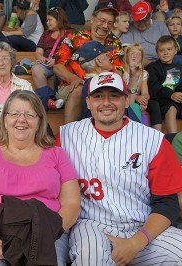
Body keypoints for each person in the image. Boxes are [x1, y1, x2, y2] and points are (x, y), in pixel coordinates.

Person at [57, 71, 182, 265]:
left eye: (114, 95)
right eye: (98, 96)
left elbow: (167, 203)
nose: (106, 102)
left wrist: (135, 243)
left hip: (142, 226)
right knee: (91, 258)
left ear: (127, 100)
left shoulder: (153, 140)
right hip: (91, 224)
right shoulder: (66, 136)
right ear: (88, 102)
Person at [0, 90, 81, 265]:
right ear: (5, 120)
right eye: (14, 114)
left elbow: (72, 203)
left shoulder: (57, 155)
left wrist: (43, 235)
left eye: (29, 114)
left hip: (46, 232)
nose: (21, 119)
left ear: (39, 122)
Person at [53, 2, 124, 123]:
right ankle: (67, 135)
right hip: (71, 85)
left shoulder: (115, 43)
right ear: (92, 19)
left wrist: (109, 68)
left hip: (102, 86)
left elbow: (119, 73)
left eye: (110, 23)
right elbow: (58, 67)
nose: (105, 26)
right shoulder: (74, 37)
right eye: (102, 21)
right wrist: (75, 79)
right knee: (79, 89)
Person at [31, 7, 73, 109]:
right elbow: (38, 51)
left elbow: (74, 53)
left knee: (60, 70)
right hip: (47, 64)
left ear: (59, 19)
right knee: (36, 68)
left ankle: (51, 99)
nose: (47, 23)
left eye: (50, 20)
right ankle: (51, 99)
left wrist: (57, 60)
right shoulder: (46, 34)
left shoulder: (70, 33)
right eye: (47, 20)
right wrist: (40, 57)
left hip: (63, 64)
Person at [146, 35, 182, 133]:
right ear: (157, 53)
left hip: (174, 101)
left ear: (175, 50)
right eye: (161, 50)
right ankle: (172, 138)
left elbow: (174, 86)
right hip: (159, 101)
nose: (165, 53)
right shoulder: (153, 67)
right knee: (171, 108)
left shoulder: (177, 68)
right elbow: (154, 88)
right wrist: (171, 94)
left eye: (169, 49)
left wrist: (179, 94)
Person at [124, 44, 163, 130]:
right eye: (132, 53)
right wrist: (137, 98)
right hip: (127, 98)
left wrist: (143, 101)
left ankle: (158, 132)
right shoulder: (122, 72)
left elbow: (146, 93)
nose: (135, 56)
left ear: (142, 58)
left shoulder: (143, 73)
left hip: (139, 99)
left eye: (138, 54)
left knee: (154, 104)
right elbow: (123, 92)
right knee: (134, 106)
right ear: (126, 56)